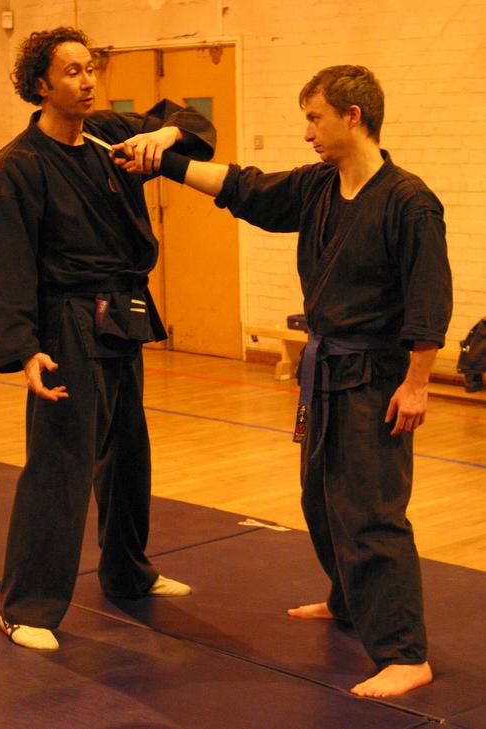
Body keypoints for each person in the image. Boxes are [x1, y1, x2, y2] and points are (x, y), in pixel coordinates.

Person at [115, 65, 453, 698]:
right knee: (319, 498)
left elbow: (429, 301)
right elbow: (247, 189)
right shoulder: (320, 186)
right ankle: (348, 601)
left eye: (315, 119)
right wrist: (166, 164)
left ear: (353, 116)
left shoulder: (409, 201)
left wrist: (417, 383)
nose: (307, 133)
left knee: (372, 513)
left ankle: (406, 654)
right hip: (321, 374)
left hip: (376, 380)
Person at [0, 26, 216, 651]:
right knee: (61, 461)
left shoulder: (111, 135)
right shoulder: (19, 165)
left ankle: (127, 571)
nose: (88, 81)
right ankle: (25, 606)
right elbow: (12, 262)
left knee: (128, 450)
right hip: (65, 319)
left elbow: (195, 124)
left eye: (92, 69)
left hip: (121, 310)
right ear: (41, 85)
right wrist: (24, 348)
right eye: (73, 72)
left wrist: (165, 137)